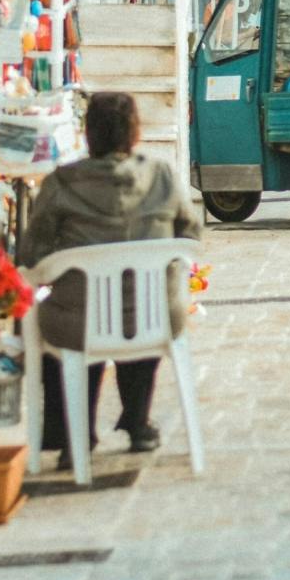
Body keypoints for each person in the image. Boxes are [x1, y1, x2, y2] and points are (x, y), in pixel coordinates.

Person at [16, 92, 200, 470]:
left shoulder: (61, 183)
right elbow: (191, 233)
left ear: (88, 134)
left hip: (78, 323)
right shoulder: (162, 175)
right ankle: (138, 424)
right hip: (154, 318)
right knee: (138, 308)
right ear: (135, 133)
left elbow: (31, 255)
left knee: (67, 320)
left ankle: (71, 435)